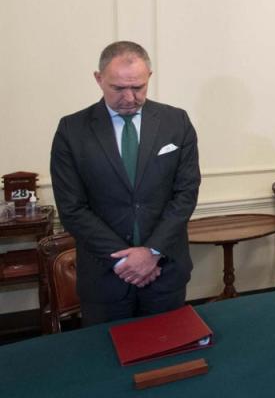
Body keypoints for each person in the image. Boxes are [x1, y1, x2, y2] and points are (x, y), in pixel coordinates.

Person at [50, 41, 201, 325]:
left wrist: (151, 252)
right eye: (119, 88)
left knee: (167, 357)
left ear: (149, 79)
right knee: (106, 362)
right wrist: (125, 261)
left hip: (165, 272)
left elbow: (185, 194)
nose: (130, 97)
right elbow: (72, 208)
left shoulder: (176, 122)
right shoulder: (72, 130)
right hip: (105, 278)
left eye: (139, 87)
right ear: (98, 79)